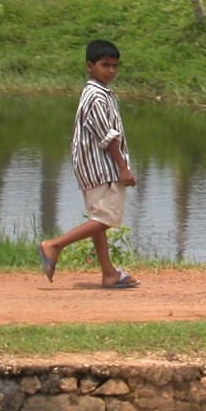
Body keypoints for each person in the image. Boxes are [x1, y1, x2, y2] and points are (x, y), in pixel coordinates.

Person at [38, 39, 140, 288]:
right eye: (105, 65)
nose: (111, 71)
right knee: (106, 218)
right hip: (103, 168)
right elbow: (108, 137)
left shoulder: (98, 93)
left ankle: (109, 273)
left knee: (99, 219)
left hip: (95, 167)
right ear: (90, 66)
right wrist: (123, 167)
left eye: (115, 66)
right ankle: (54, 245)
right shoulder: (96, 97)